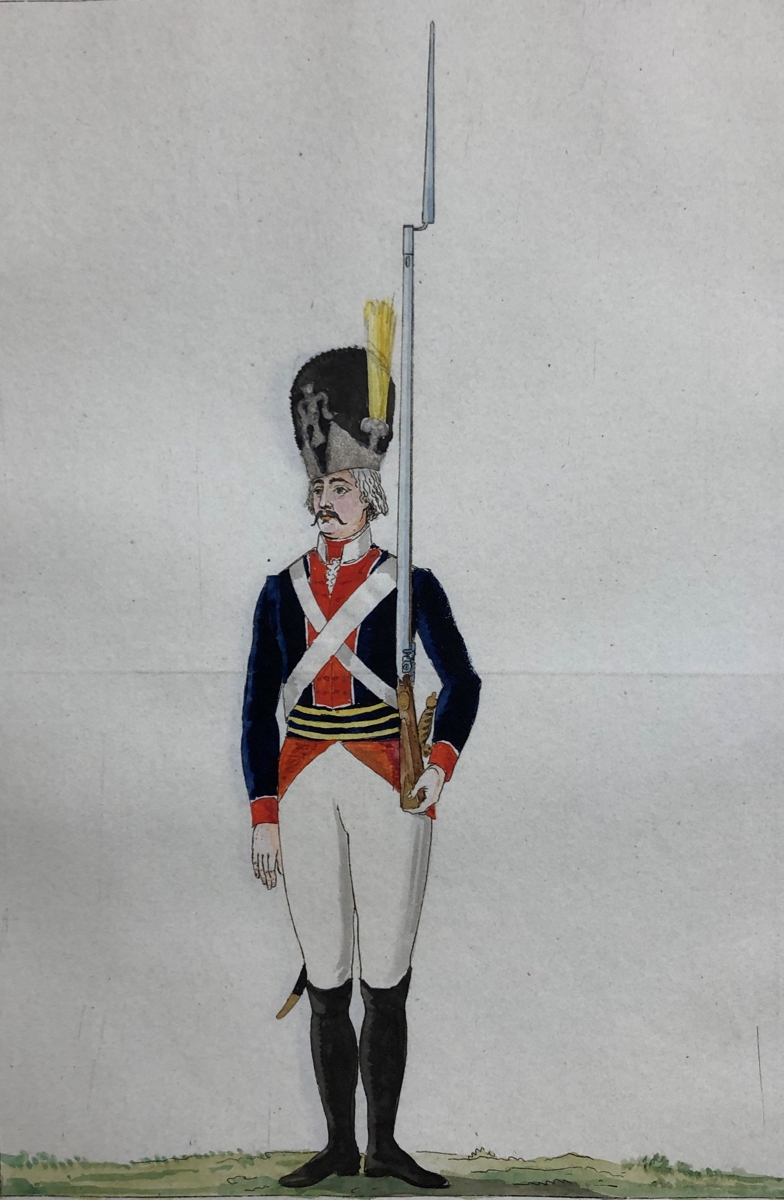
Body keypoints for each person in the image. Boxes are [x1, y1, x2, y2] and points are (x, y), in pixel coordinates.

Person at [241, 341, 480, 1190]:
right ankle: (338, 1146)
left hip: (388, 781)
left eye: (339, 489)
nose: (324, 504)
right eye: (319, 490)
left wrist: (439, 765)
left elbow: (463, 682)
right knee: (325, 973)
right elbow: (256, 711)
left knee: (386, 976)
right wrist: (264, 813)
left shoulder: (411, 585)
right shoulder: (281, 592)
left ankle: (384, 1147)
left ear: (372, 494)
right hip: (305, 780)